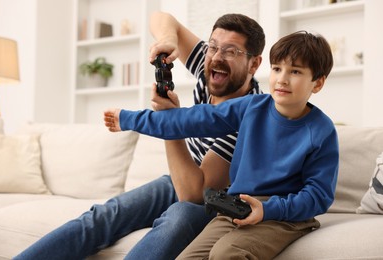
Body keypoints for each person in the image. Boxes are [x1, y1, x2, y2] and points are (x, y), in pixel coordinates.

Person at [14, 12, 265, 260]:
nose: (217, 57)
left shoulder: (249, 116)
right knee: (103, 215)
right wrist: (168, 39)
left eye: (231, 51)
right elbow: (161, 17)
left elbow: (193, 194)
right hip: (179, 180)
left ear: (254, 64)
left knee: (179, 216)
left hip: (217, 202)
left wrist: (169, 122)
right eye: (213, 47)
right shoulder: (210, 65)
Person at [103, 31, 339, 259]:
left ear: (317, 83)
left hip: (286, 216)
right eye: (277, 68)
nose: (282, 79)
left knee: (226, 254)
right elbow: (190, 119)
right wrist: (129, 119)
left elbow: (318, 196)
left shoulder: (321, 131)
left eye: (295, 71)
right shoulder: (251, 107)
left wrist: (268, 210)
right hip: (237, 207)